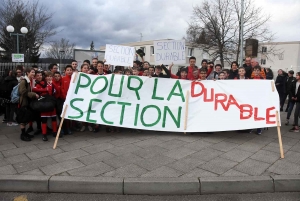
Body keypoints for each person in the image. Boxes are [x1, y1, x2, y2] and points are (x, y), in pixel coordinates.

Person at [18, 67, 39, 141]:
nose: (33, 74)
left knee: (26, 118)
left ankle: (25, 133)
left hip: (28, 102)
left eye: (34, 72)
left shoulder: (31, 81)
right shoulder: (24, 81)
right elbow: (22, 92)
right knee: (23, 119)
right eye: (32, 72)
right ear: (27, 73)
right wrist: (33, 94)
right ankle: (23, 134)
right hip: (24, 102)